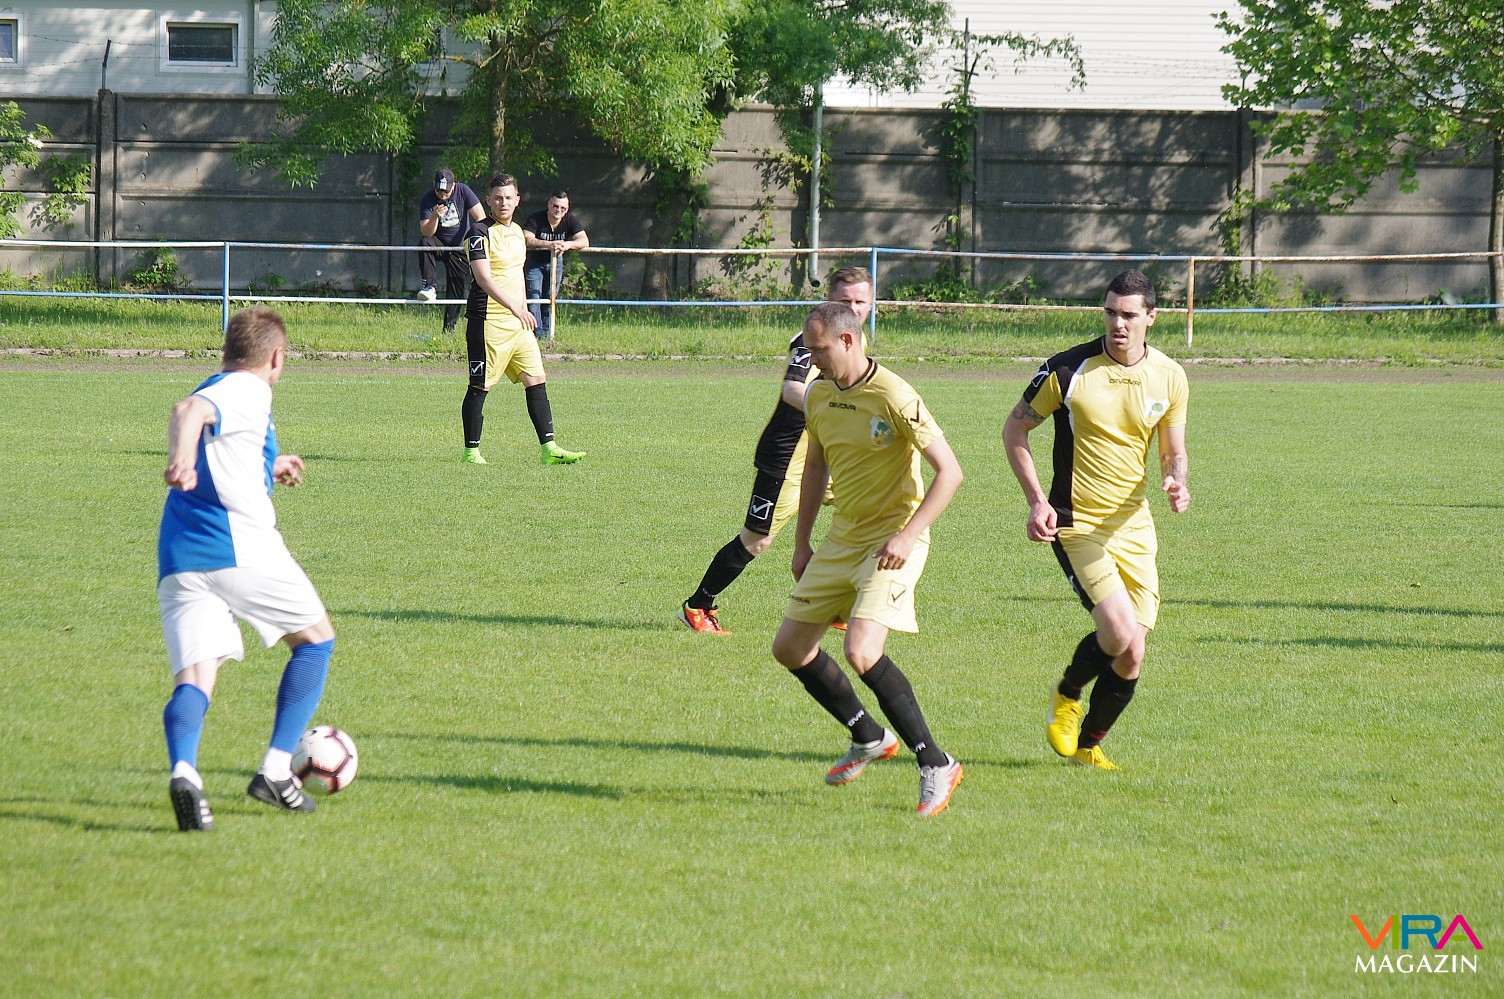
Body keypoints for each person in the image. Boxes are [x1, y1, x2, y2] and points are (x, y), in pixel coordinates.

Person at [770, 302, 966, 816]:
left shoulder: (894, 394)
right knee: (790, 648)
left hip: (892, 541)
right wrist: (802, 543)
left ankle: (936, 763)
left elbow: (950, 472)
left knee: (861, 650)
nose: (811, 360)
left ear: (849, 340)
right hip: (841, 539)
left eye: (819, 349)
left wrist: (908, 535)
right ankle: (868, 736)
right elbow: (816, 465)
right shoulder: (819, 394)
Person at [1002, 269, 1191, 771]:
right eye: (1110, 312)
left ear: (1152, 317)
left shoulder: (1170, 375)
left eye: (1128, 315)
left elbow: (1172, 451)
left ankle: (1088, 746)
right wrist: (1036, 501)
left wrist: (1177, 480)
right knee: (1118, 631)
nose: (1118, 324)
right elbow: (1014, 431)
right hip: (1075, 523)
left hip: (1134, 524)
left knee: (1132, 653)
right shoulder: (1068, 371)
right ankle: (1067, 691)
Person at [157, 305, 337, 831]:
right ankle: (276, 772)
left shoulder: (222, 385)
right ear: (276, 357)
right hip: (236, 545)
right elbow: (189, 411)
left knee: (196, 677)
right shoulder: (248, 388)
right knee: (316, 641)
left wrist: (268, 465)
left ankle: (185, 773)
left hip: (180, 555)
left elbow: (219, 440)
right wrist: (180, 458)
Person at [678, 267, 873, 635]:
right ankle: (697, 605)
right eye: (844, 300)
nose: (853, 308)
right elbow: (792, 390)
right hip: (787, 460)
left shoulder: (856, 342)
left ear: (871, 304)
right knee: (756, 540)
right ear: (828, 300)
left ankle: (833, 602)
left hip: (828, 457)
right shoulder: (811, 340)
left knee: (868, 518)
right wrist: (837, 410)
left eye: (860, 301)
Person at [462, 173, 587, 466]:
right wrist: (516, 309)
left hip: (518, 325)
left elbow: (516, 275)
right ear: (488, 200)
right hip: (489, 322)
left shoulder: (518, 232)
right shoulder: (478, 233)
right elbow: (484, 279)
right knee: (480, 386)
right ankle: (471, 452)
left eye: (509, 197)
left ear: (517, 200)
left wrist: (521, 311)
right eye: (497, 198)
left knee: (536, 379)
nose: (503, 203)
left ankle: (550, 449)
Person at [417, 168, 485, 335]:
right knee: (425, 243)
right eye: (439, 191)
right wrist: (434, 216)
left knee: (455, 287)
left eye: (446, 191)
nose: (443, 195)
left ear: (453, 186)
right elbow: (426, 232)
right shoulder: (427, 199)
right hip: (439, 243)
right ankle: (430, 286)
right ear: (434, 185)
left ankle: (449, 329)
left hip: (459, 247)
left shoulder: (463, 191)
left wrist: (475, 238)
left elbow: (481, 217)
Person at [521, 190, 589, 339]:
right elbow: (526, 238)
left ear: (567, 208)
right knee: (534, 298)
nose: (559, 210)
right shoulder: (536, 218)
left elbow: (584, 241)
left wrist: (567, 245)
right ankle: (536, 334)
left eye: (563, 208)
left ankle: (546, 336)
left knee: (550, 297)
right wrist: (548, 244)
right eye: (555, 206)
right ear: (549, 204)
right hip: (534, 263)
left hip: (556, 262)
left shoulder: (570, 220)